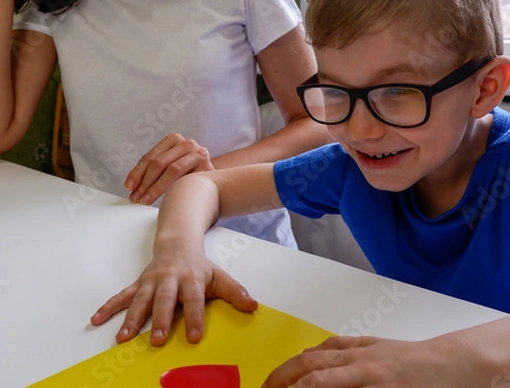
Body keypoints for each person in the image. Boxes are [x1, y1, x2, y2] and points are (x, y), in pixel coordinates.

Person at [92, 0, 510, 388]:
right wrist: (177, 250)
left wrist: (454, 368)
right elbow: (202, 185)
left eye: (397, 92)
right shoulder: (349, 169)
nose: (359, 129)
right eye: (335, 91)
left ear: (485, 89)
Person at [1, 0, 331, 245]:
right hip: (110, 238)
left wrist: (205, 180)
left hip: (238, 240)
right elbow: (5, 128)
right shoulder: (53, 6)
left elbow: (320, 124)